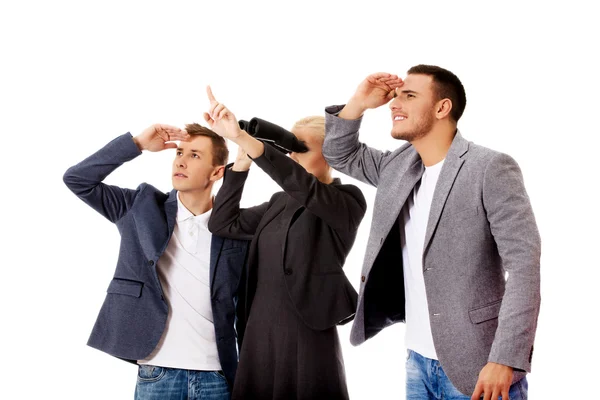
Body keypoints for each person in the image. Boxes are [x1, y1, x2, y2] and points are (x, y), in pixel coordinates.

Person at [322, 65, 541, 400]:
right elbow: (340, 153)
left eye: (409, 96)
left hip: (479, 366)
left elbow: (525, 266)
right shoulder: (398, 166)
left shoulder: (490, 168)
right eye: (396, 95)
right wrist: (358, 103)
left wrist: (505, 358)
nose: (395, 103)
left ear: (442, 108)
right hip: (417, 361)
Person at [63, 123, 249, 400]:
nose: (181, 161)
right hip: (159, 371)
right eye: (180, 153)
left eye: (195, 155)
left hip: (217, 373)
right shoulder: (140, 206)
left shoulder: (237, 228)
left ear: (217, 172)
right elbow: (77, 179)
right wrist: (136, 143)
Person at [204, 87, 366, 400]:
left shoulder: (346, 201)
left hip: (307, 327)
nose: (290, 153)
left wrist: (244, 139)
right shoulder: (279, 202)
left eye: (299, 147)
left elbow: (300, 183)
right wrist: (241, 163)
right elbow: (222, 223)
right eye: (288, 146)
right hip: (260, 328)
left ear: (330, 153)